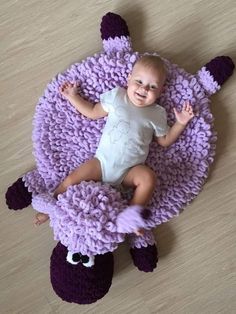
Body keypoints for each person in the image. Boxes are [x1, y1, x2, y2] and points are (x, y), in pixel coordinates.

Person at [34, 55, 194, 233]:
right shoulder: (118, 96)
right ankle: (51, 206)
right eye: (139, 81)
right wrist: (73, 97)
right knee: (72, 179)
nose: (143, 89)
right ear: (129, 79)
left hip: (130, 171)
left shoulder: (157, 114)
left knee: (148, 178)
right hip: (101, 162)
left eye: (152, 86)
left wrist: (180, 123)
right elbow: (93, 112)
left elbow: (164, 141)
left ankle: (130, 217)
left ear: (161, 90)